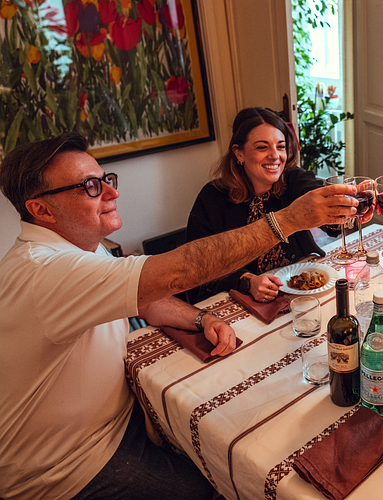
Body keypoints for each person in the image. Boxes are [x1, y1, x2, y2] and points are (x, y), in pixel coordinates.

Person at [0, 132, 358, 500]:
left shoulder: (81, 251)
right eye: (91, 187)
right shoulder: (46, 272)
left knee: (223, 439)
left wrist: (201, 319)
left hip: (125, 417)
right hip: (67, 466)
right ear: (41, 209)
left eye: (107, 180)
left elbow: (146, 300)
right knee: (225, 479)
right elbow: (177, 272)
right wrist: (285, 221)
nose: (112, 193)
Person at [187, 107, 339, 304]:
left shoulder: (293, 179)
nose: (275, 156)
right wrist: (246, 281)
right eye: (262, 147)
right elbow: (199, 266)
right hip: (239, 302)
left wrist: (339, 206)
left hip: (298, 293)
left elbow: (316, 199)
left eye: (281, 146)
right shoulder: (212, 198)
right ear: (238, 153)